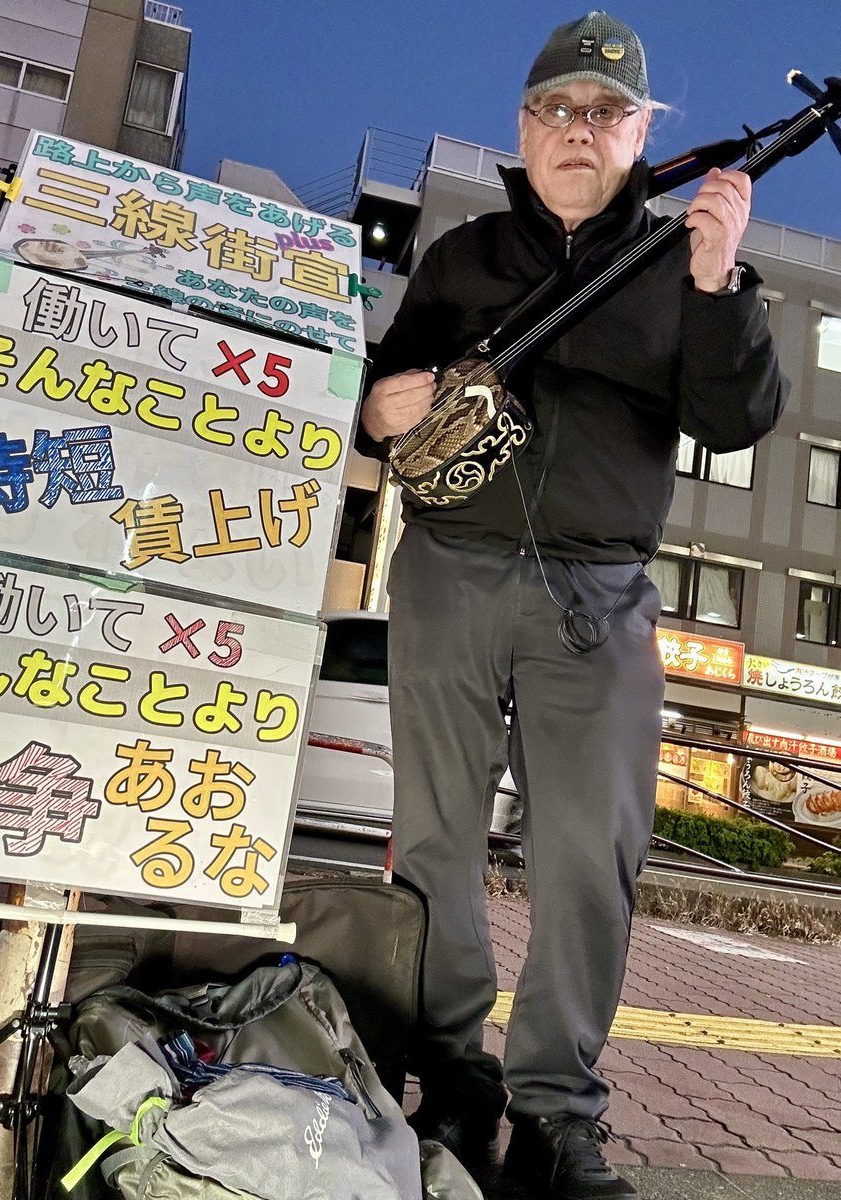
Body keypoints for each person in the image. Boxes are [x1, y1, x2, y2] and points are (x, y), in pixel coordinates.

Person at [357, 11, 786, 1200]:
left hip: (600, 590)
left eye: (606, 113)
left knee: (591, 853)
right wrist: (383, 407)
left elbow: (737, 418)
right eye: (558, 109)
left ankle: (555, 1116)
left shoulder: (684, 262)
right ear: (525, 126)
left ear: (643, 134)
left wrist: (719, 286)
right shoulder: (464, 256)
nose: (578, 130)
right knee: (435, 840)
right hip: (449, 566)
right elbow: (379, 396)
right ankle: (454, 1081)